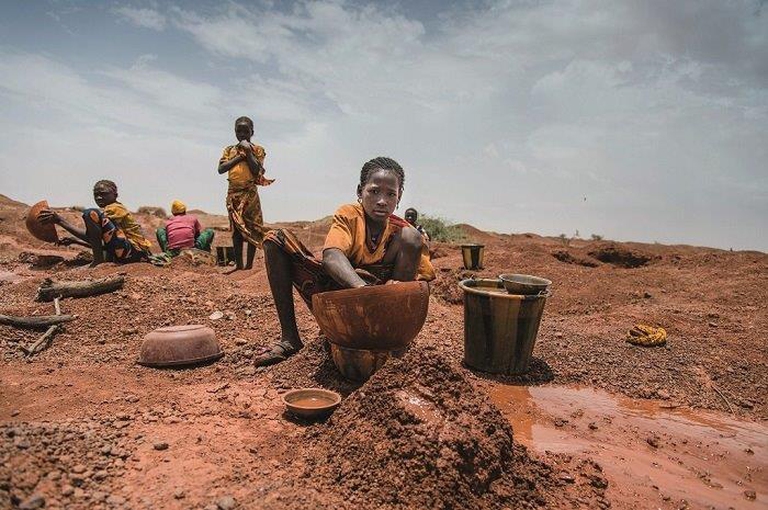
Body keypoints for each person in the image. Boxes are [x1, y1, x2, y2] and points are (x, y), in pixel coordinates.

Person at [254, 156, 435, 367]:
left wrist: (391, 293)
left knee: (412, 237)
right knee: (275, 240)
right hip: (339, 295)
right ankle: (290, 339)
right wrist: (363, 290)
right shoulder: (349, 215)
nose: (382, 200)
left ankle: (392, 342)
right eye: (374, 191)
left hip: (381, 308)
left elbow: (420, 285)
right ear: (360, 191)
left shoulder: (403, 233)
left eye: (390, 194)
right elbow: (332, 257)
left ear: (399, 197)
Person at [38, 180, 152, 266]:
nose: (98, 197)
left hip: (135, 253)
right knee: (92, 215)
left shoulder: (114, 208)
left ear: (115, 195)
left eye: (103, 194)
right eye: (96, 194)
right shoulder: (111, 215)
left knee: (90, 213)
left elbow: (99, 239)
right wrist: (75, 241)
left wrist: (60, 221)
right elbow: (103, 243)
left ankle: (98, 262)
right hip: (134, 255)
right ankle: (99, 261)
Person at [217, 116, 274, 271]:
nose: (242, 134)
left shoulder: (258, 150)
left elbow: (256, 171)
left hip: (250, 193)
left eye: (245, 131)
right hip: (234, 194)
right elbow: (221, 169)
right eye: (239, 131)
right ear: (235, 132)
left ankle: (249, 265)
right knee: (236, 229)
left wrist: (248, 152)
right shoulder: (229, 150)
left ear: (252, 132)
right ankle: (239, 265)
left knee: (252, 228)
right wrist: (239, 156)